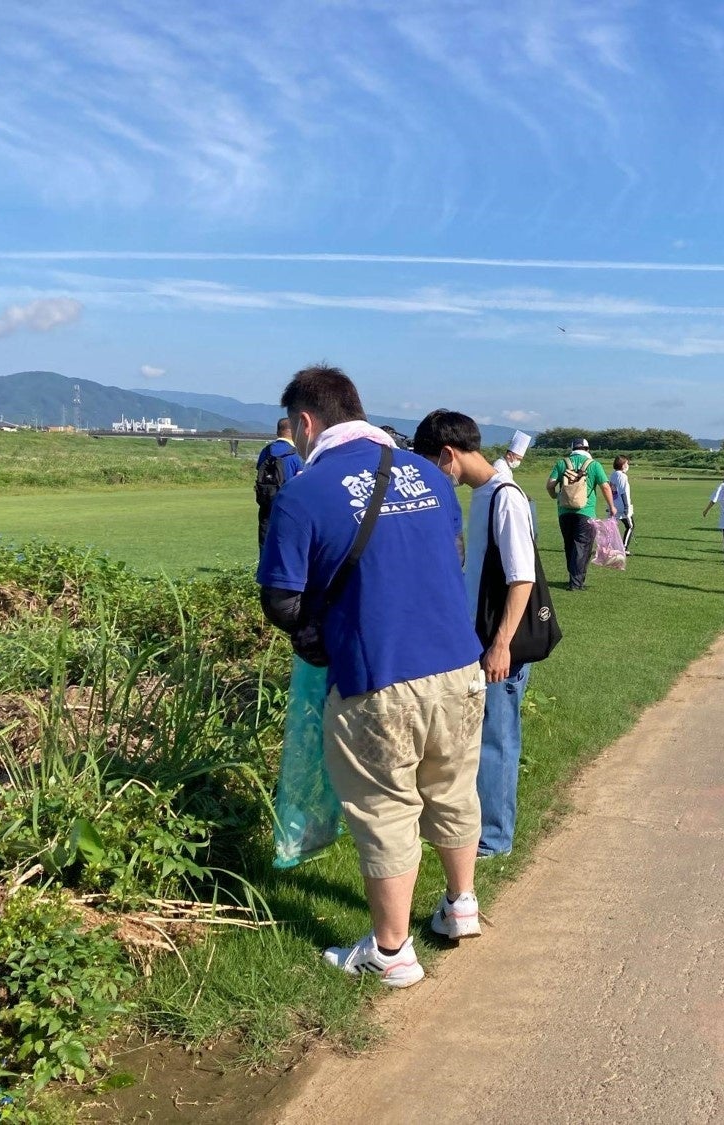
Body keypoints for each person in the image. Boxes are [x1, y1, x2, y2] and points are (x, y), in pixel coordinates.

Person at [256, 366, 486, 988]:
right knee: (453, 787)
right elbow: (449, 557)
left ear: (306, 422)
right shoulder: (433, 479)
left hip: (379, 675)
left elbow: (281, 600)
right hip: (460, 667)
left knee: (386, 808)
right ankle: (461, 905)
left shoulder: (304, 491)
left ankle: (390, 951)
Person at [413, 410, 541, 861]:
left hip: (498, 644)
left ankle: (494, 839)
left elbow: (521, 578)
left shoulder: (505, 496)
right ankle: (483, 831)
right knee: (484, 736)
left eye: (432, 465)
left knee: (497, 741)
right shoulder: (485, 492)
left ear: (449, 455)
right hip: (481, 638)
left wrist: (501, 644)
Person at [544, 438, 615, 591]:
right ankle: (576, 582)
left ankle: (574, 578)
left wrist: (555, 496)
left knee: (569, 545)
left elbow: (550, 485)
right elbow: (605, 487)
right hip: (585, 512)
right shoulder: (594, 465)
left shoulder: (562, 463)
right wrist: (612, 506)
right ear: (587, 449)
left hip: (564, 512)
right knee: (583, 546)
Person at [254, 418, 303, 547]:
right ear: (294, 432)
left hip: (266, 500)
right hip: (288, 504)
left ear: (277, 431)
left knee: (265, 539)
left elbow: (260, 469)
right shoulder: (296, 453)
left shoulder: (266, 450)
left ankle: (264, 566)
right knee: (286, 542)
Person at [610, 456, 636, 548]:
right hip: (621, 505)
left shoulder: (613, 474)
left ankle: (610, 546)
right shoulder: (622, 476)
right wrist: (626, 507)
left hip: (613, 504)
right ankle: (624, 547)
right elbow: (623, 492)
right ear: (623, 465)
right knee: (630, 526)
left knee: (612, 527)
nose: (628, 465)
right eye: (627, 463)